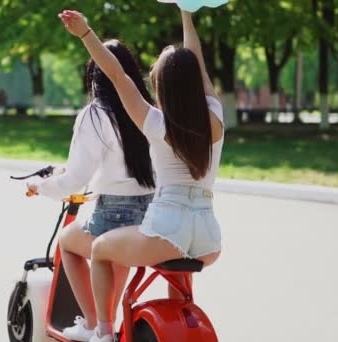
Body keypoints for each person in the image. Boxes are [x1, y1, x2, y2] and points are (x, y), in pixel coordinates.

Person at [59, 6, 224, 342]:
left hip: (166, 230)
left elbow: (117, 74)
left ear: (161, 86)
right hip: (209, 239)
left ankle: (103, 334)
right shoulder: (215, 118)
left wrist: (86, 34)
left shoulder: (156, 123)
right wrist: (186, 12)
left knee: (102, 247)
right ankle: (180, 318)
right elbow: (197, 61)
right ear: (195, 85)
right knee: (177, 260)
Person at [26, 40, 156, 342]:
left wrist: (39, 186)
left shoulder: (95, 114)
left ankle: (93, 325)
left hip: (113, 211)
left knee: (67, 242)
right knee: (119, 256)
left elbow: (73, 181)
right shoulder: (147, 111)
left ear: (94, 78)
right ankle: (107, 325)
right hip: (150, 213)